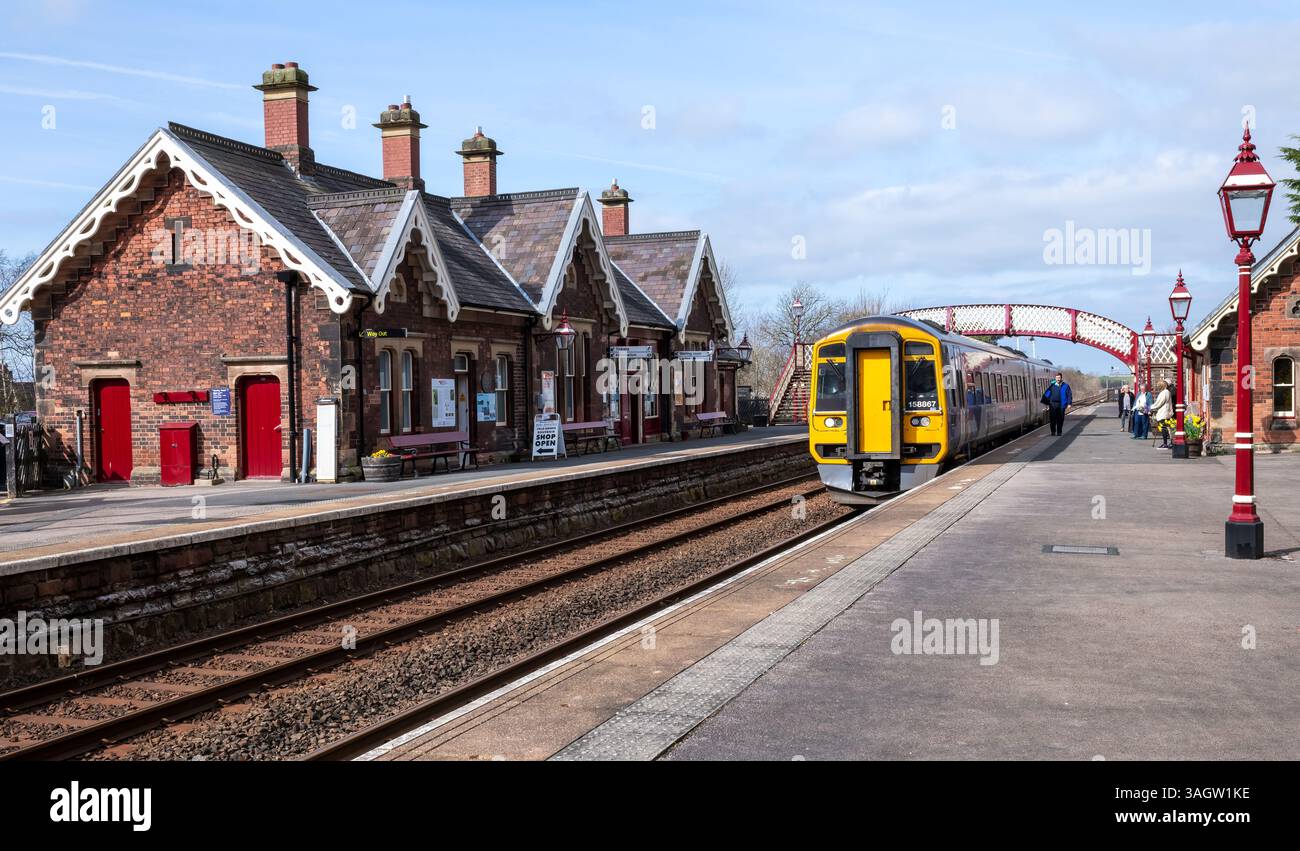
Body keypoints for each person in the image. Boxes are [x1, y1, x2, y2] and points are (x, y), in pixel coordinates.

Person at [1040, 372, 1073, 436]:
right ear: (1055, 378)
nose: (1058, 379)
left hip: (1061, 405)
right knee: (1052, 419)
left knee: (1060, 419)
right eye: (1057, 378)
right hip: (1053, 405)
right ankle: (1053, 431)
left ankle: (1059, 432)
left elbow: (1069, 395)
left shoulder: (1066, 386)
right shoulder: (1052, 386)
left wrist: (1069, 403)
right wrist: (1045, 403)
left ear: (1061, 378)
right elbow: (1047, 394)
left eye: (1059, 378)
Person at [1150, 379, 1173, 449]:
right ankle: (1168, 442)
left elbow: (1159, 403)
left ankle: (1165, 443)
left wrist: (1151, 407)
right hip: (1165, 412)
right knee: (1167, 428)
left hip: (1164, 413)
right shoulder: (1166, 392)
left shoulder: (1164, 392)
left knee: (1164, 428)